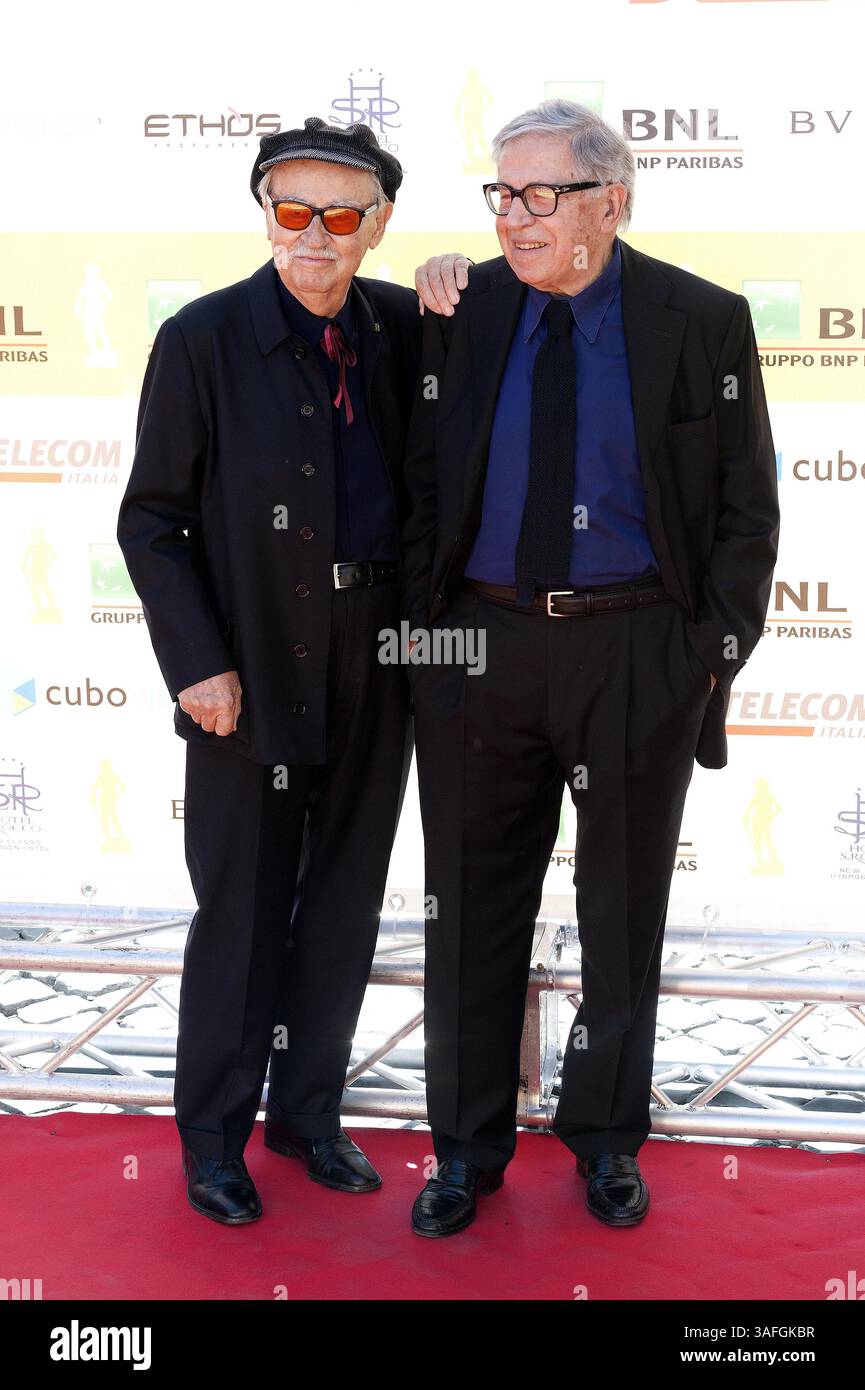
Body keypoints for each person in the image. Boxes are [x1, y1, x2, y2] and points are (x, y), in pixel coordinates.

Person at [403, 99, 780, 1238]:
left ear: (607, 202)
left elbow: (743, 509)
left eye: (537, 195)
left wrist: (703, 659)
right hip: (479, 644)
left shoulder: (700, 320)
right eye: (499, 194)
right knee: (466, 910)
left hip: (634, 648)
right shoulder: (459, 310)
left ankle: (605, 1140)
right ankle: (465, 1151)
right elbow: (419, 482)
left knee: (622, 912)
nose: (510, 217)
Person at [118, 116, 467, 1225]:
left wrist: (469, 277)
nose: (315, 234)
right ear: (265, 212)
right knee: (243, 907)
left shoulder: (408, 325)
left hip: (383, 657)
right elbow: (153, 523)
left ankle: (307, 1114)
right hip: (252, 669)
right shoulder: (204, 338)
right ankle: (212, 1138)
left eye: (342, 213)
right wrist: (200, 664)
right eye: (292, 209)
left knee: (344, 902)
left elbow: (522, 336)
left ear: (379, 223)